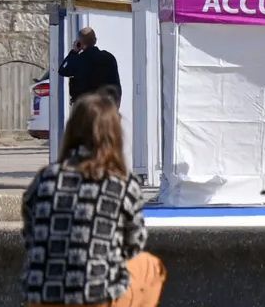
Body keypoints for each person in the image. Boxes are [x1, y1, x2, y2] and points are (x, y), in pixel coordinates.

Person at [21, 93, 165, 307]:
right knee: (152, 267)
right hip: (95, 297)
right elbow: (134, 244)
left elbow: (30, 236)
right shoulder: (123, 183)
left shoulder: (45, 178)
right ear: (114, 135)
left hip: (41, 297)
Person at [60, 28, 121, 105]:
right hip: (106, 108)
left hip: (85, 108)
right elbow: (116, 86)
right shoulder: (109, 58)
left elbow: (62, 70)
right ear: (95, 40)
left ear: (80, 43)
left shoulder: (78, 60)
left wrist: (74, 52)